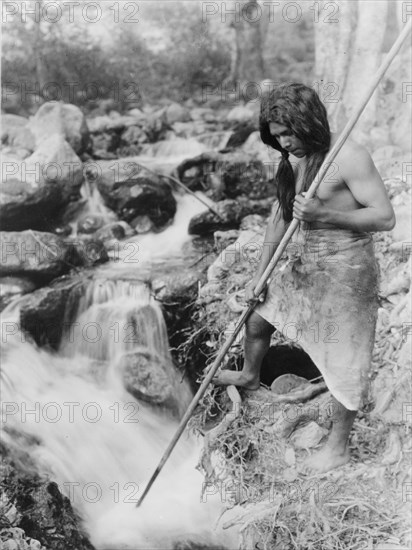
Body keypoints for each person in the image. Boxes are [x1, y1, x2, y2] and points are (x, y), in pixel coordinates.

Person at [213, 83, 395, 473]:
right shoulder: (292, 160)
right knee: (258, 315)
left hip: (350, 272)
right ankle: (249, 376)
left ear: (307, 121)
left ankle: (338, 447)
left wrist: (324, 214)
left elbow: (383, 216)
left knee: (346, 361)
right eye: (275, 136)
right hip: (308, 265)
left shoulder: (348, 155)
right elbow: (280, 219)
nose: (283, 142)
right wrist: (258, 276)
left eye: (287, 132)